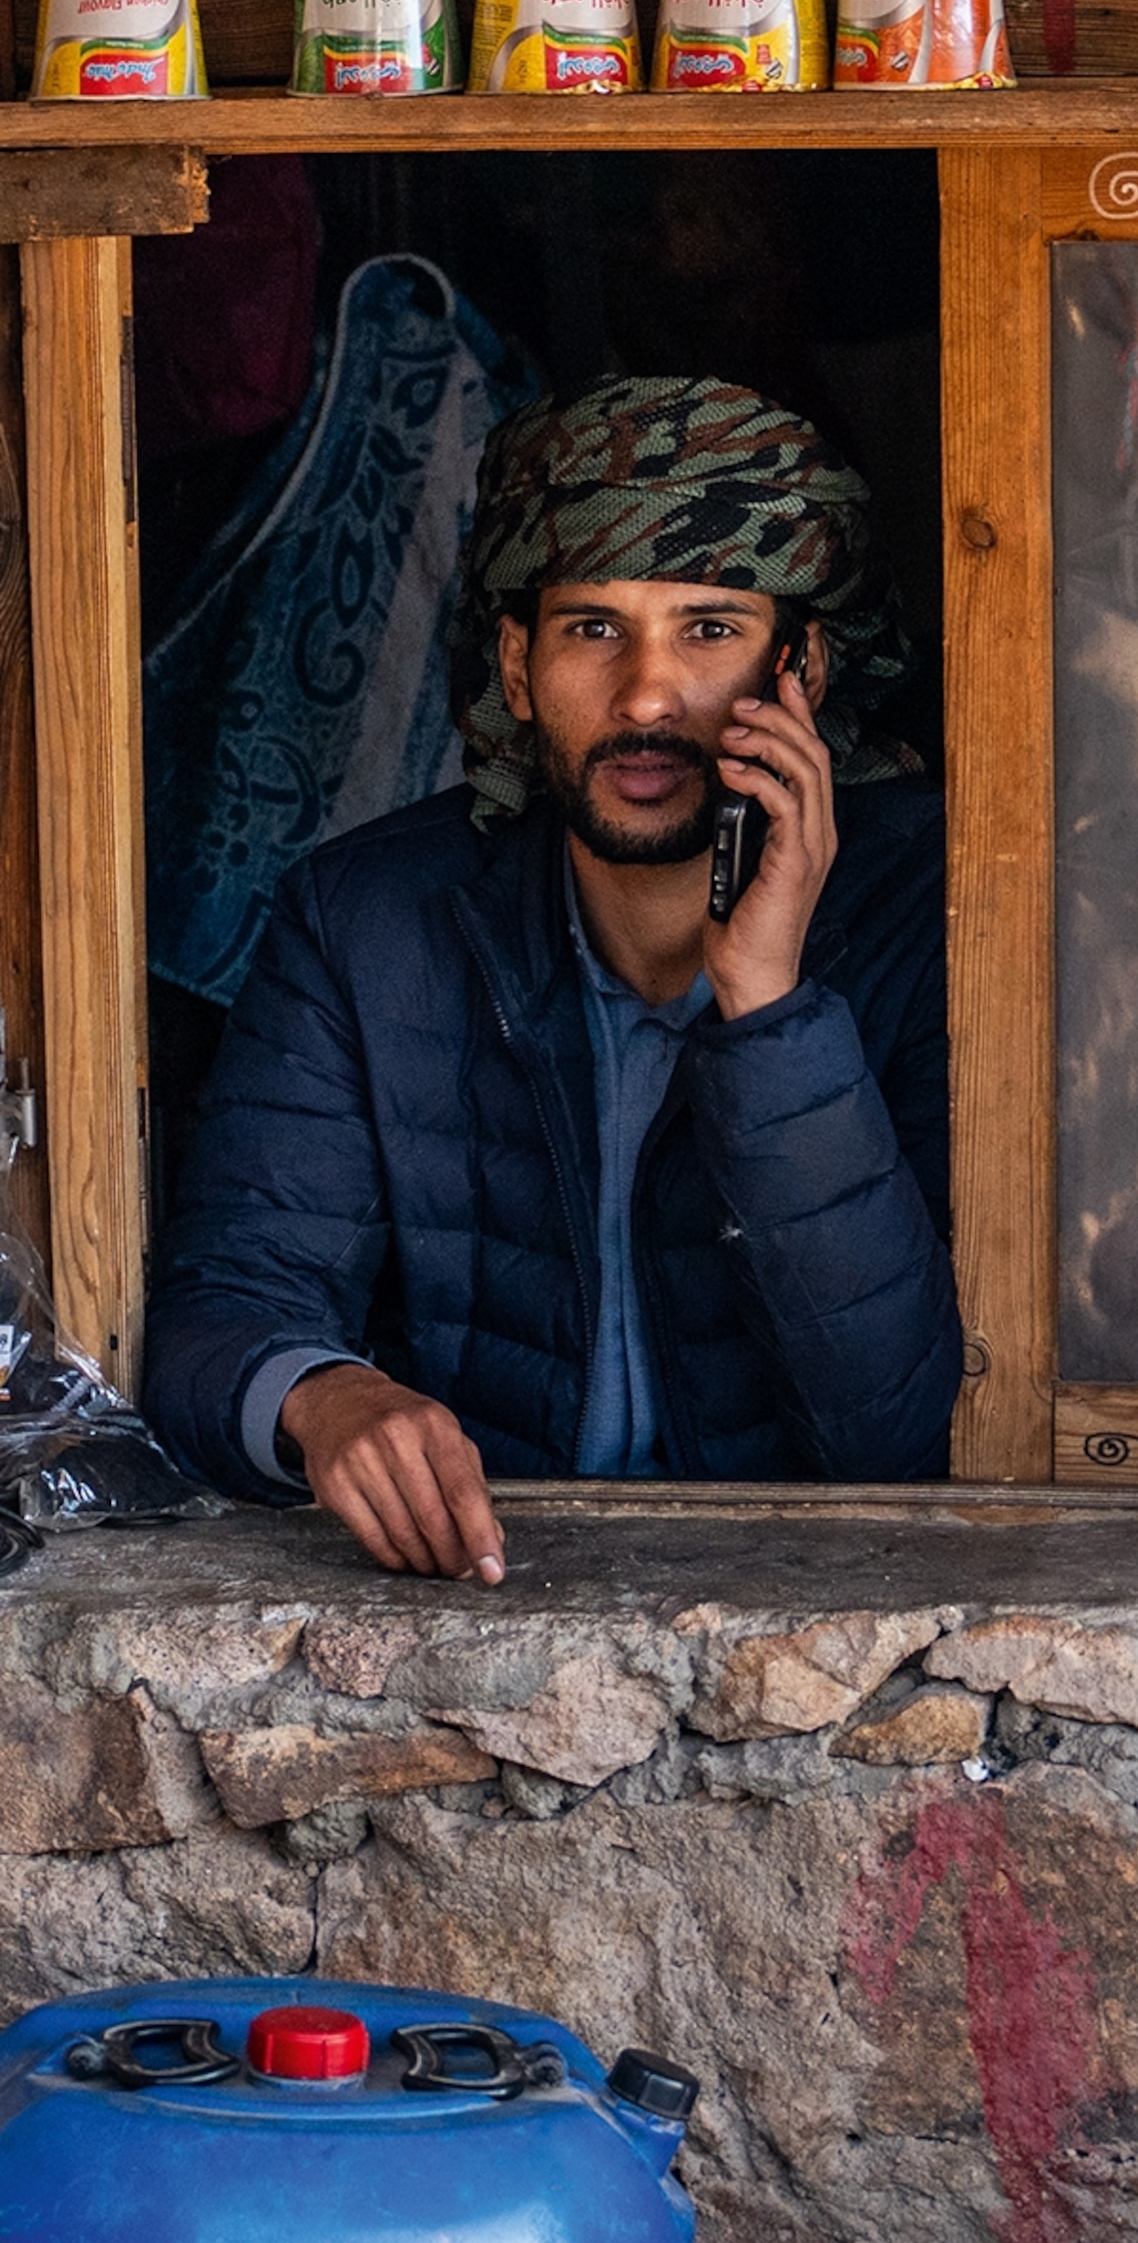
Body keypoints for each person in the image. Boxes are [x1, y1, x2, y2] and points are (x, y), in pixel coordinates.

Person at [145, 375, 962, 1583]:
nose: (644, 695)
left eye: (709, 629)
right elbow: (221, 1308)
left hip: (817, 1623)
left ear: (804, 672)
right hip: (480, 1601)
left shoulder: (945, 915)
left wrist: (770, 1007)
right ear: (518, 670)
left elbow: (893, 1437)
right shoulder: (369, 922)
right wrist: (323, 1400)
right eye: (592, 629)